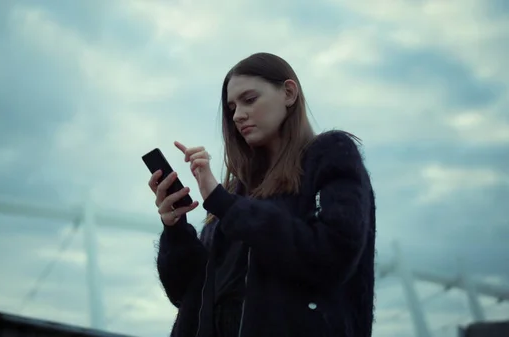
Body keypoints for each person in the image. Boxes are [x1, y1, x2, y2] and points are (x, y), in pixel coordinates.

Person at [148, 52, 376, 337]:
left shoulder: (329, 154)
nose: (237, 115)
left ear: (289, 93)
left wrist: (223, 203)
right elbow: (185, 293)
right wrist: (176, 228)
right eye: (231, 107)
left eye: (249, 99)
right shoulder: (236, 190)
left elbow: (333, 255)